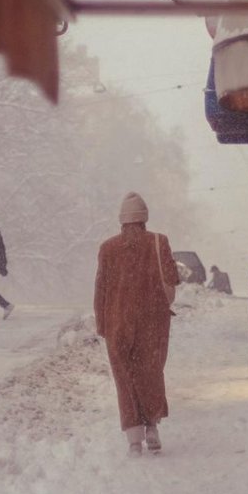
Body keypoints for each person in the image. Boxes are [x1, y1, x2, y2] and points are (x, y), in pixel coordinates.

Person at [93, 191, 180, 457]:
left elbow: (100, 290)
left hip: (117, 322)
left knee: (125, 378)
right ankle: (152, 427)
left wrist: (102, 324)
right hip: (152, 322)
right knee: (150, 374)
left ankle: (133, 439)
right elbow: (172, 278)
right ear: (144, 219)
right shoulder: (158, 242)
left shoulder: (107, 248)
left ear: (122, 221)